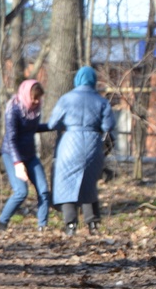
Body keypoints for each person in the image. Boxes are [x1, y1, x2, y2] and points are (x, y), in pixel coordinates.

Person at [46, 66, 115, 236]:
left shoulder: (66, 99)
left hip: (69, 143)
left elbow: (52, 124)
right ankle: (92, 223)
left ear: (77, 79)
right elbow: (108, 126)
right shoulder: (101, 101)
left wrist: (68, 125)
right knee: (88, 183)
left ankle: (70, 224)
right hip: (92, 143)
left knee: (66, 183)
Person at [0, 79, 51, 231]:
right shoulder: (14, 108)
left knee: (44, 190)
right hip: (12, 154)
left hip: (30, 155)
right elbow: (11, 138)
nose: (37, 101)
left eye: (39, 98)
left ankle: (42, 226)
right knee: (21, 191)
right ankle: (1, 223)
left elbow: (31, 129)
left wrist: (52, 126)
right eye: (35, 98)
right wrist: (18, 163)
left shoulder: (35, 109)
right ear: (27, 94)